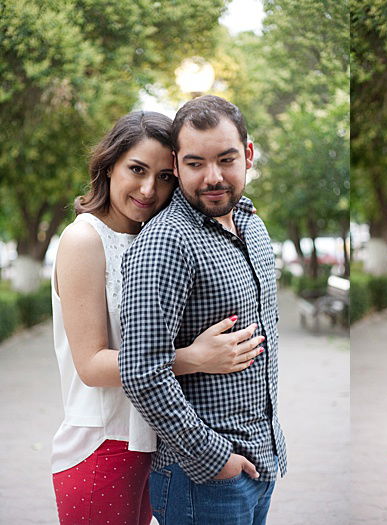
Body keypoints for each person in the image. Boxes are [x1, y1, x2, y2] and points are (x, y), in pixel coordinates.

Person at [51, 111, 266, 525]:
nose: (149, 188)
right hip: (102, 445)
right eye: (136, 169)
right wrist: (192, 357)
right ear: (109, 165)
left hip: (149, 445)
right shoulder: (84, 239)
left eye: (165, 176)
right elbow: (91, 365)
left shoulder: (150, 236)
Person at [119, 95, 286, 525]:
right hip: (204, 479)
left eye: (226, 159)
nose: (213, 177)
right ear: (176, 164)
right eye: (195, 164)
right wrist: (214, 458)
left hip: (260, 459)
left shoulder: (251, 222)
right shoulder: (166, 241)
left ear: (247, 155)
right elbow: (142, 370)